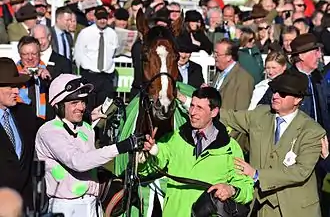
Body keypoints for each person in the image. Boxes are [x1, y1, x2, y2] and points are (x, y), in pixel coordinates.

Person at [35, 74, 145, 217]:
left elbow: (91, 159)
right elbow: (78, 162)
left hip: (93, 204)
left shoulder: (85, 128)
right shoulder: (48, 131)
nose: (81, 107)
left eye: (83, 101)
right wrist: (120, 147)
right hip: (65, 208)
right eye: (74, 103)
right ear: (58, 106)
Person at [220, 72, 325, 217]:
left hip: (295, 209)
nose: (275, 96)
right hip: (259, 207)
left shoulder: (312, 131)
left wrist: (256, 174)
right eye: (274, 90)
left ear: (297, 99)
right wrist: (189, 102)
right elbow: (228, 117)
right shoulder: (260, 114)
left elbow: (301, 171)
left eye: (282, 94)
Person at [142, 86, 254, 217]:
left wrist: (231, 190)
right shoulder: (174, 138)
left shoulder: (230, 148)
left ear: (214, 112)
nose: (193, 112)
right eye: (192, 106)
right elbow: (148, 169)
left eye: (200, 108)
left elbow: (246, 188)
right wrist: (146, 156)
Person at [0, 57, 43, 210]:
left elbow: (50, 129)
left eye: (17, 86)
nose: (17, 91)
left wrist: (87, 117)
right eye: (11, 86)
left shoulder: (24, 113)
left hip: (24, 206)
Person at [74, 6, 118, 109]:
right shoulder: (85, 33)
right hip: (90, 75)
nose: (102, 21)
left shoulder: (112, 34)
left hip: (106, 76)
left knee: (104, 108)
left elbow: (114, 53)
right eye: (99, 18)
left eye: (104, 18)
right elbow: (78, 53)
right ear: (95, 18)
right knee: (88, 107)